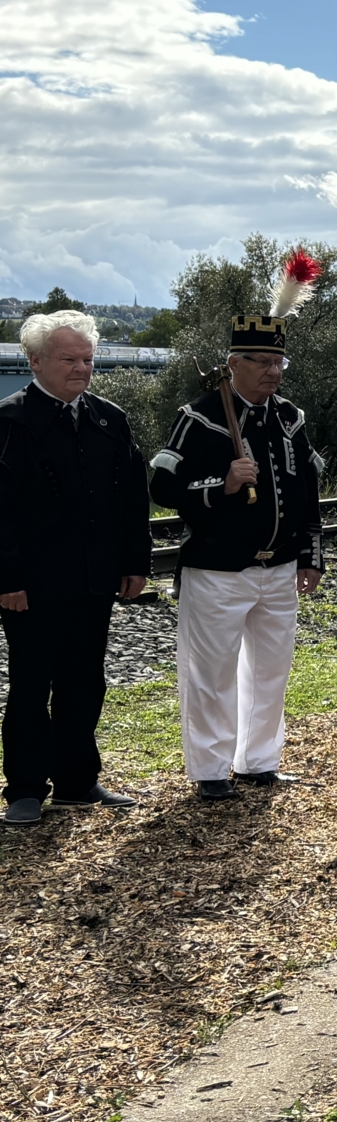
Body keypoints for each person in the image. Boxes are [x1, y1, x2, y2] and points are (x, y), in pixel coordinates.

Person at [151, 252, 326, 801]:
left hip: (278, 570)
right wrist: (220, 485)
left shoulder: (291, 418)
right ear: (234, 363)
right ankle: (208, 770)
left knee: (271, 671)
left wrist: (310, 552)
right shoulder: (200, 415)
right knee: (212, 674)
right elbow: (160, 487)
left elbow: (308, 494)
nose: (272, 372)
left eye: (279, 363)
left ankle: (258, 761)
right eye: (261, 362)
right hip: (218, 571)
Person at [0, 309, 151, 826]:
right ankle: (24, 787)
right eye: (69, 359)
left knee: (84, 681)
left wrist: (135, 563)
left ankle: (77, 781)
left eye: (88, 359)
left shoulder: (109, 419)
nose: (82, 369)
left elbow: (134, 499)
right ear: (36, 360)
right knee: (31, 684)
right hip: (33, 586)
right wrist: (8, 578)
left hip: (94, 578)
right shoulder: (11, 421)